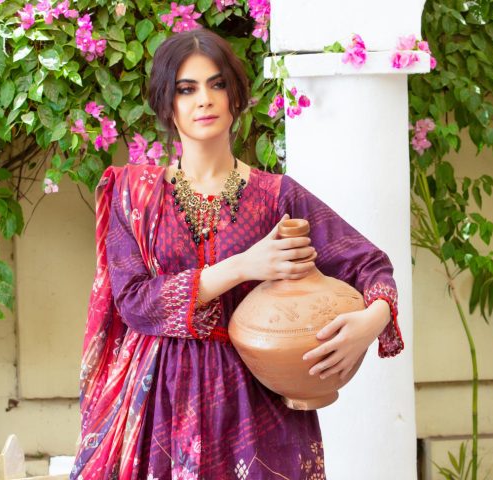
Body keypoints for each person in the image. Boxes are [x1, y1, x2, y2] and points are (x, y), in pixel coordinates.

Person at [71, 28, 403, 480]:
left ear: (235, 96)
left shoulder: (275, 197)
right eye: (186, 89)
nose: (203, 100)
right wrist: (243, 266)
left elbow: (368, 264)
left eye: (216, 84)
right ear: (166, 102)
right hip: (159, 405)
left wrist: (371, 321)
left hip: (258, 402)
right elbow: (134, 303)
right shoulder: (136, 197)